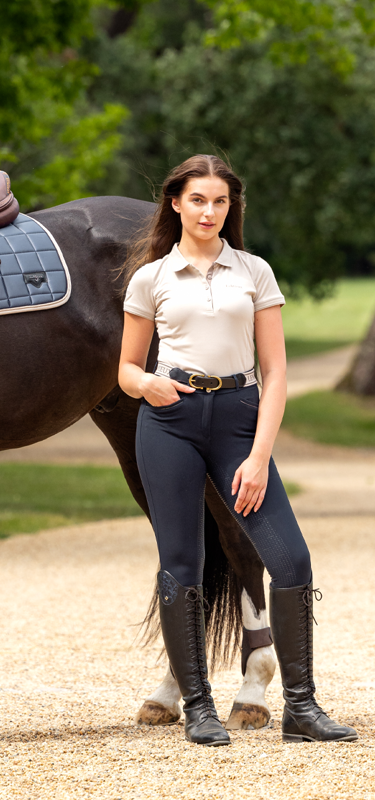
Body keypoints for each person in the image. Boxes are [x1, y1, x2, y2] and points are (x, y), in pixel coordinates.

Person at [118, 154, 358, 747]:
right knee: (183, 564)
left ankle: (301, 708)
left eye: (220, 201)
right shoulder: (151, 277)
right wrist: (147, 384)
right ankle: (198, 707)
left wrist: (257, 456)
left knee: (292, 559)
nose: (209, 211)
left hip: (239, 421)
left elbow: (276, 373)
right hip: (169, 423)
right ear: (176, 202)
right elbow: (125, 368)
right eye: (198, 199)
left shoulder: (253, 271)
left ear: (232, 207)